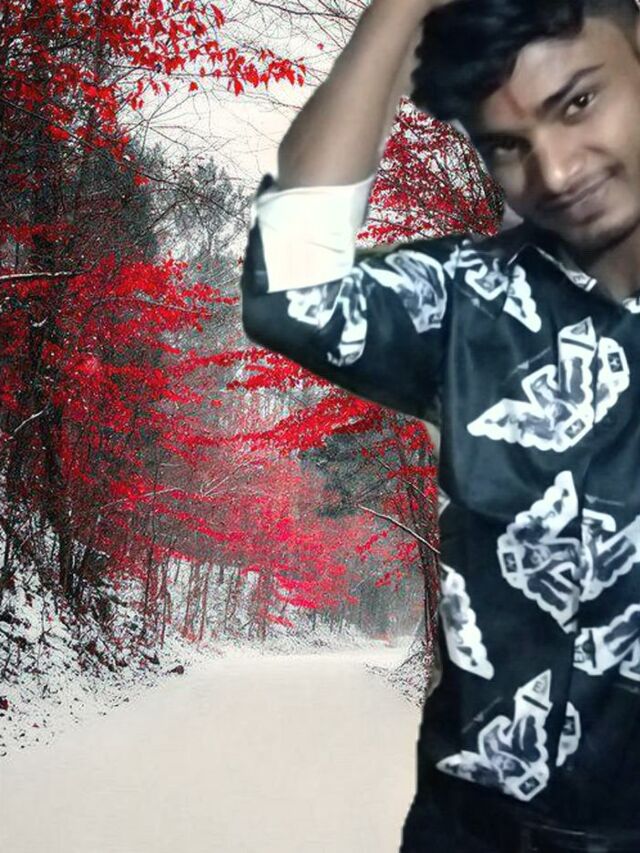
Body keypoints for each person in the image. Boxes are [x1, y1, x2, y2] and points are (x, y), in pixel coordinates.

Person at [238, 0, 640, 849]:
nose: (557, 170)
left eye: (578, 103)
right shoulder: (468, 301)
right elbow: (293, 292)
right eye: (508, 145)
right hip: (475, 829)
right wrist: (400, 9)